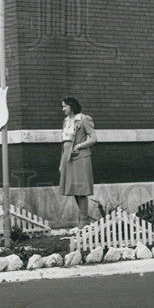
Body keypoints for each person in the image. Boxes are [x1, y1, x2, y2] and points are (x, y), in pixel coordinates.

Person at [59, 96, 97, 227]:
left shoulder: (83, 119)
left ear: (71, 106)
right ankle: (83, 220)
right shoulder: (65, 121)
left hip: (80, 157)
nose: (63, 109)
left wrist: (79, 146)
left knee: (81, 189)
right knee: (73, 189)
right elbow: (64, 143)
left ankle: (83, 222)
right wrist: (61, 162)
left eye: (65, 106)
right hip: (67, 158)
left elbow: (93, 138)